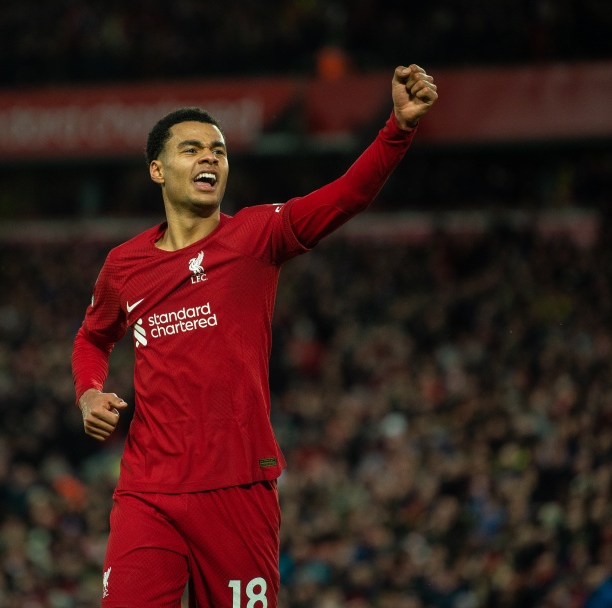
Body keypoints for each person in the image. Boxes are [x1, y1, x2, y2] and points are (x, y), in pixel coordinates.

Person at [71, 64, 438, 607]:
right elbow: (92, 338)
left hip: (238, 486)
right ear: (157, 170)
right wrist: (88, 393)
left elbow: (346, 196)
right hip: (149, 488)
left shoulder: (256, 235)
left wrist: (398, 129)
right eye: (192, 149)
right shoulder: (124, 265)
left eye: (218, 151)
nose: (210, 159)